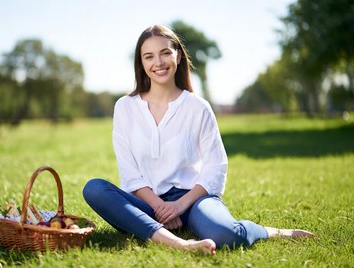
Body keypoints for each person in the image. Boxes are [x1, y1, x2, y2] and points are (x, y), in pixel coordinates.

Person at [82, 24, 314, 255]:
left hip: (193, 200)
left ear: (178, 55)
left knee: (225, 234)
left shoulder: (198, 107)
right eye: (149, 56)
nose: (158, 62)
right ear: (141, 63)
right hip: (147, 203)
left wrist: (179, 206)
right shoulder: (125, 107)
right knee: (94, 189)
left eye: (165, 53)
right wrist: (160, 207)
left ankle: (267, 231)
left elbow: (215, 166)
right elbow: (129, 171)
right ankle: (179, 244)